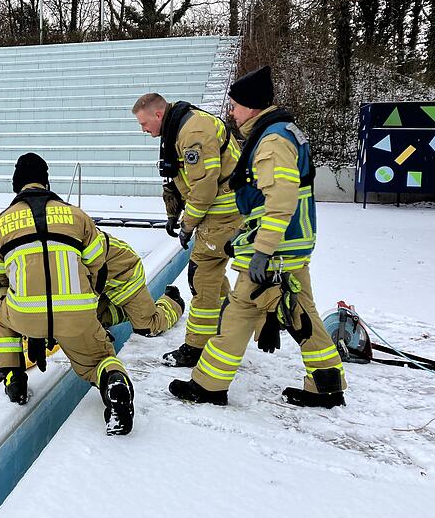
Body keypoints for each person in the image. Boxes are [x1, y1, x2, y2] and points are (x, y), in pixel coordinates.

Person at [169, 66, 347, 408]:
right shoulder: (280, 132)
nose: (231, 113)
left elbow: (279, 201)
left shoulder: (273, 141)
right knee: (300, 311)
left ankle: (208, 386)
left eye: (234, 106)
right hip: (289, 242)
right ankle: (326, 383)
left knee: (240, 311)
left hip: (276, 248)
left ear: (251, 106)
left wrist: (262, 251)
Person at [0, 152, 135, 435]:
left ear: (17, 184)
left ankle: (14, 377)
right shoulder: (77, 216)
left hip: (25, 316)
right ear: (46, 182)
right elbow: (97, 264)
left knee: (0, 300)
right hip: (77, 315)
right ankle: (113, 382)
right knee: (98, 361)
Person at [132, 92, 242, 367]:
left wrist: (187, 225)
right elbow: (178, 178)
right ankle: (226, 328)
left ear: (158, 115)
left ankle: (196, 347)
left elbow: (204, 185)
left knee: (201, 276)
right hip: (216, 211)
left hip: (223, 211)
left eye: (144, 124)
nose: (143, 130)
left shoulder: (192, 130)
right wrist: (173, 213)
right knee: (212, 276)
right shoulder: (175, 129)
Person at [95, 231, 185, 335]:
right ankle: (134, 309)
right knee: (90, 319)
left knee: (147, 327)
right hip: (99, 279)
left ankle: (173, 304)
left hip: (124, 272)